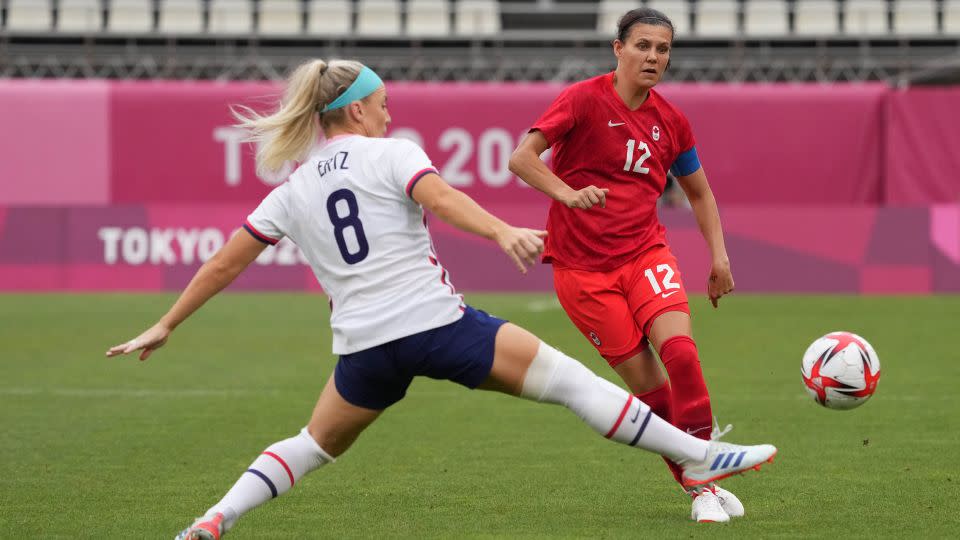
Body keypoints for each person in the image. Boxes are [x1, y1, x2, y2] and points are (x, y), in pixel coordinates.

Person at [106, 59, 775, 540]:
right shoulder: (390, 153)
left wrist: (165, 323)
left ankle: (211, 522)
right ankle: (698, 455)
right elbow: (443, 198)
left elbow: (226, 260)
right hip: (436, 325)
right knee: (572, 382)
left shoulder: (294, 187)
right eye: (384, 103)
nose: (391, 113)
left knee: (312, 444)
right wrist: (503, 229)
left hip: (364, 349)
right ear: (360, 110)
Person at [509, 7, 741, 523]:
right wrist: (568, 195)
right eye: (643, 46)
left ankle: (706, 484)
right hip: (582, 273)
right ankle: (697, 485)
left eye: (662, 49)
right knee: (653, 393)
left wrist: (719, 256)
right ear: (618, 49)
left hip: (644, 254)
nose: (653, 57)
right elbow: (522, 157)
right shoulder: (582, 100)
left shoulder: (672, 121)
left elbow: (699, 194)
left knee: (681, 354)